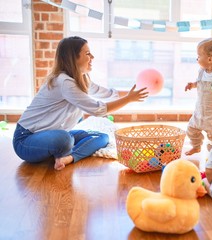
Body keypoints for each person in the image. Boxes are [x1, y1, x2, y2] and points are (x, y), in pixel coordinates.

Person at [12, 36, 148, 170]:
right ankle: (62, 149)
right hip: (26, 140)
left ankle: (67, 158)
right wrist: (130, 99)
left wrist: (134, 93)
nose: (92, 57)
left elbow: (107, 93)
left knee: (102, 137)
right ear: (73, 57)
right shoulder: (64, 82)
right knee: (65, 140)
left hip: (55, 133)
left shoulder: (81, 79)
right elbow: (98, 110)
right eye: (88, 53)